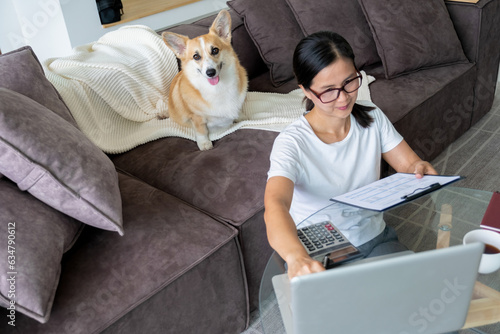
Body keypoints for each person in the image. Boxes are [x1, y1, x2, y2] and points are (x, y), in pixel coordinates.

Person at [264, 31, 437, 279]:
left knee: (410, 289)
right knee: (353, 310)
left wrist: (419, 168)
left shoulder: (373, 118)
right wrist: (296, 256)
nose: (344, 97)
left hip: (374, 236)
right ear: (306, 91)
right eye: (329, 91)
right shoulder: (292, 143)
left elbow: (409, 164)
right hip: (322, 249)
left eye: (350, 82)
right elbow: (275, 205)